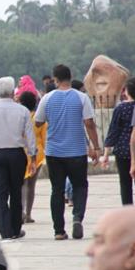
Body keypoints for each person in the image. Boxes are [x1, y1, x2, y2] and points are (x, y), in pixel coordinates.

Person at [35, 64, 101, 240]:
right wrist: (96, 147)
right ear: (70, 77)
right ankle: (77, 217)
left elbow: (38, 122)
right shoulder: (81, 98)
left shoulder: (47, 98)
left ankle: (58, 231)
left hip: (54, 152)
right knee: (80, 186)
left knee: (57, 190)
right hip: (77, 151)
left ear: (55, 80)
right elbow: (89, 123)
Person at [0, 77, 37, 240]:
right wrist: (32, 155)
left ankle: (5, 230)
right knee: (16, 192)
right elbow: (29, 136)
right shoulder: (22, 111)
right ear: (13, 92)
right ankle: (15, 228)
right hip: (16, 154)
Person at [103, 77, 135, 205]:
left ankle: (128, 211)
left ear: (127, 92)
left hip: (122, 150)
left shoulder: (121, 108)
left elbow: (113, 131)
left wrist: (106, 154)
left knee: (125, 184)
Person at [19, 91, 47, 224]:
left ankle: (21, 211)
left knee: (22, 184)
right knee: (32, 185)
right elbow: (44, 138)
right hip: (37, 153)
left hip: (21, 153)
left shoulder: (18, 117)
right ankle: (29, 214)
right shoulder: (39, 118)